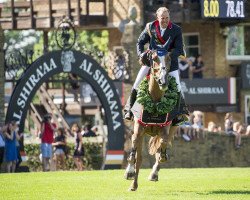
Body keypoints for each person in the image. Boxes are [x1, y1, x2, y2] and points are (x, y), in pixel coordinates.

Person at [124, 7, 188, 123]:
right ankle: (129, 110)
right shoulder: (150, 27)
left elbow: (179, 49)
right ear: (157, 18)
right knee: (137, 81)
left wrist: (167, 56)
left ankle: (179, 113)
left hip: (169, 62)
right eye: (162, 18)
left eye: (167, 18)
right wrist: (140, 55)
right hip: (152, 61)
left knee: (178, 85)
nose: (165, 20)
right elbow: (140, 42)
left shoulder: (176, 29)